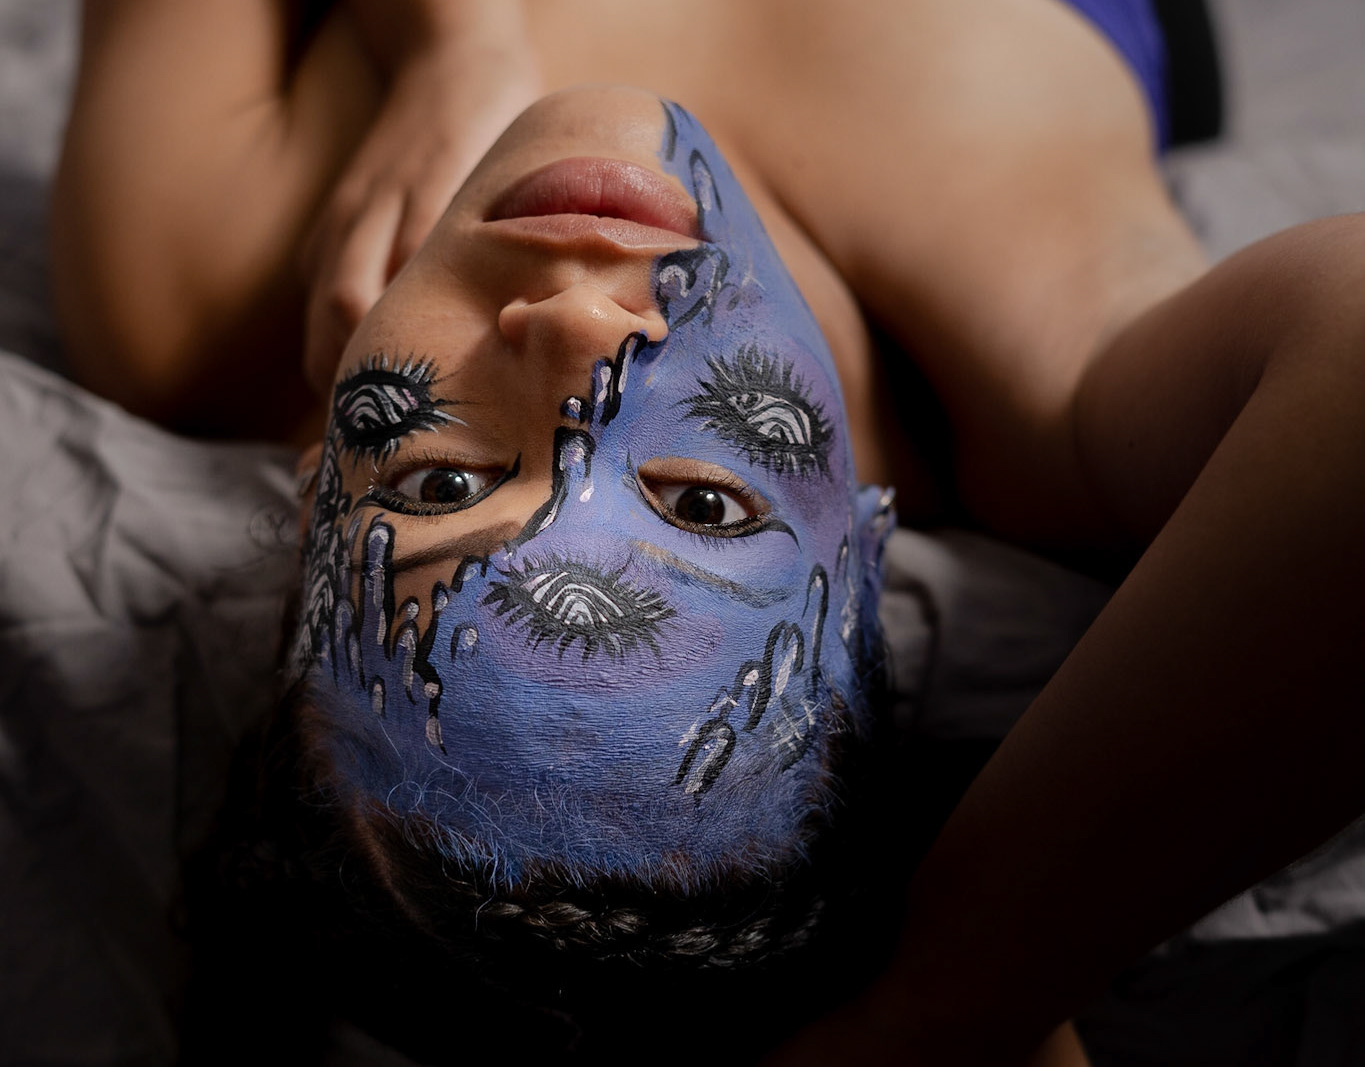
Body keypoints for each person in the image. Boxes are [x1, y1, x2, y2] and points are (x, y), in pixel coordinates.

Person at [49, 1, 1365, 1064]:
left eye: (441, 483)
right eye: (701, 504)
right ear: (863, 556)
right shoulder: (1039, 383)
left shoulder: (189, 288)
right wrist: (956, 996)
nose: (575, 328)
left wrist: (453, 43)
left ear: (308, 510)